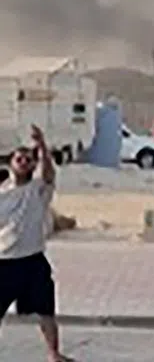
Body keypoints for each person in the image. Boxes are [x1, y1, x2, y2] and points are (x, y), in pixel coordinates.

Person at [0, 125, 73, 362]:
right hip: (5, 262)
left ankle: (54, 353)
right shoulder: (1, 194)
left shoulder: (38, 190)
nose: (23, 162)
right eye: (19, 158)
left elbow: (50, 173)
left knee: (46, 310)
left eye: (28, 159)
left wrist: (41, 145)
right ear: (10, 162)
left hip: (33, 260)